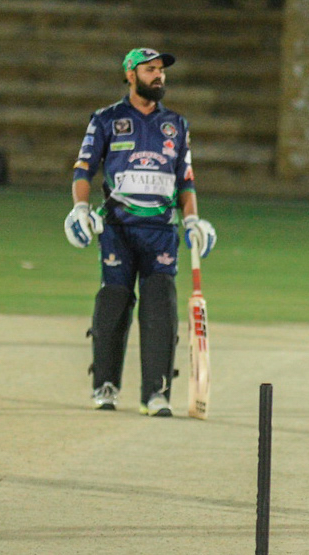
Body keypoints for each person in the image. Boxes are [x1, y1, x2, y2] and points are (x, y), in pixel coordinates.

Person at [64, 48, 217, 417]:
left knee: (160, 309)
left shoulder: (176, 124)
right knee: (113, 305)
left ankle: (156, 393)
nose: (158, 76)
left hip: (161, 231)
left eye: (161, 70)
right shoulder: (106, 119)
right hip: (117, 228)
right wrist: (80, 209)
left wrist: (193, 220)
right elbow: (83, 170)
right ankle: (105, 386)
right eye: (150, 70)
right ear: (130, 75)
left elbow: (186, 180)